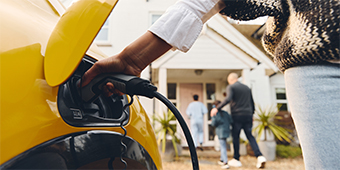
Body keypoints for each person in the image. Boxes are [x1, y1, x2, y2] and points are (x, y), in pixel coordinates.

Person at [80, 0, 340, 169]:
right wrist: (134, 58)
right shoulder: (242, 89)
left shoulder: (231, 90)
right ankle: (243, 158)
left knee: (234, 137)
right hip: (322, 49)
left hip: (240, 113)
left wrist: (217, 109)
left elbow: (226, 99)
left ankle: (233, 159)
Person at [210, 73, 266, 168]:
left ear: (230, 80)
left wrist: (217, 108)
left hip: (237, 115)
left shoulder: (231, 87)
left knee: (236, 136)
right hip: (248, 115)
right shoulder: (247, 88)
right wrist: (252, 114)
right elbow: (252, 103)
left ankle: (236, 159)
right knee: (250, 135)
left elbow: (228, 99)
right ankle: (260, 156)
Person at [211, 100, 233, 169]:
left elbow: (213, 123)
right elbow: (231, 121)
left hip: (220, 131)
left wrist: (212, 117)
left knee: (223, 146)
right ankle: (222, 159)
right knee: (223, 145)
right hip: (226, 130)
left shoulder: (216, 114)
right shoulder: (226, 113)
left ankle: (225, 162)